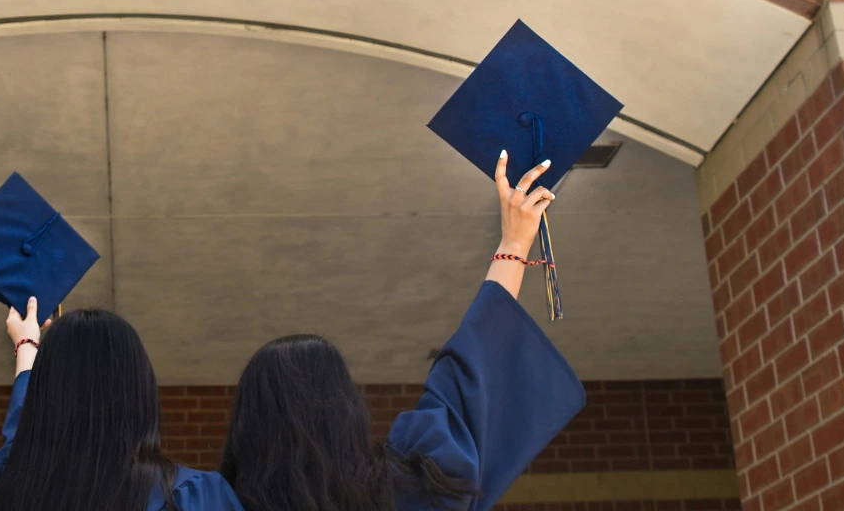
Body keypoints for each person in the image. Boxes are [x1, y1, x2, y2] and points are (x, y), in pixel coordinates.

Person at [220, 154, 587, 511]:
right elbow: (471, 373)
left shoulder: (205, 500)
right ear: (345, 407)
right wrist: (514, 244)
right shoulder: (412, 486)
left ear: (246, 425)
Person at [0, 298, 245, 511]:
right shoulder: (193, 496)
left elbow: (19, 442)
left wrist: (26, 347)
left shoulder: (9, 487)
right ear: (141, 392)